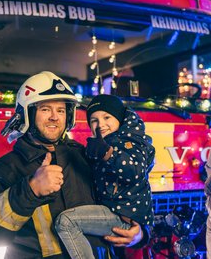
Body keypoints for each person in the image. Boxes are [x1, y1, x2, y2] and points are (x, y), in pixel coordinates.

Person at [0, 71, 145, 258]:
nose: (54, 117)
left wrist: (139, 233)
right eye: (45, 109)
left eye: (61, 110)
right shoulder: (7, 168)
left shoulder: (85, 157)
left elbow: (126, 194)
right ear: (27, 114)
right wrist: (30, 189)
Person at [54, 94, 155, 259]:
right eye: (94, 120)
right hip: (111, 218)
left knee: (66, 222)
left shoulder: (130, 142)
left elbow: (134, 171)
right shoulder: (92, 148)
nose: (100, 124)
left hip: (120, 215)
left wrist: (108, 154)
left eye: (107, 117)